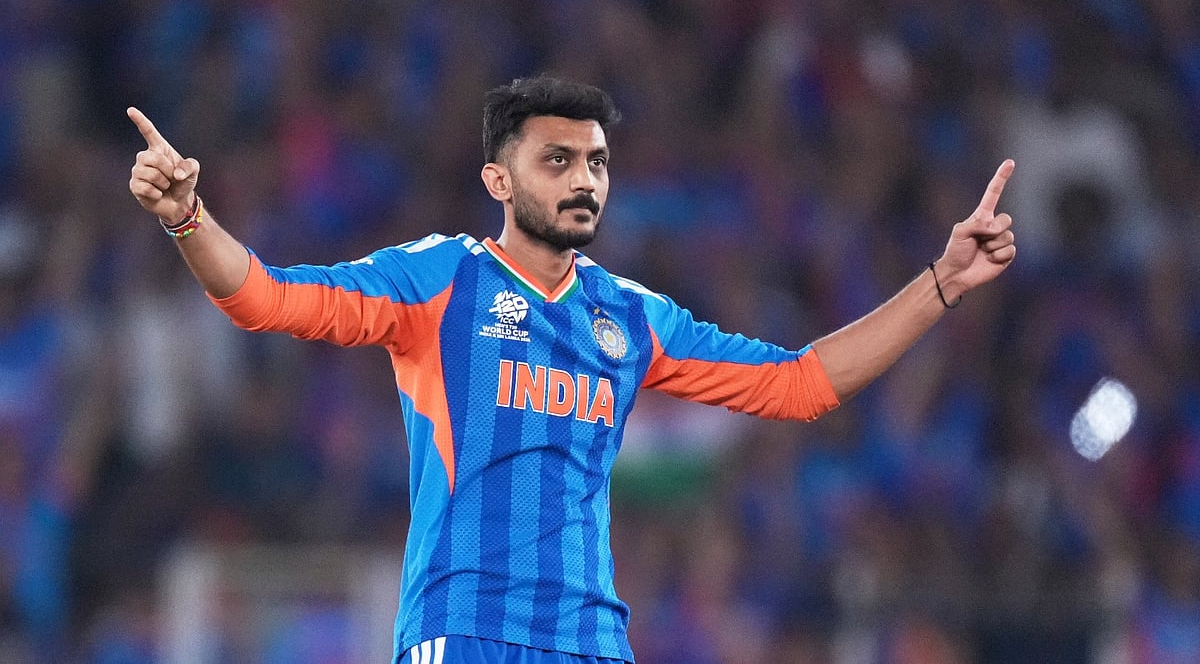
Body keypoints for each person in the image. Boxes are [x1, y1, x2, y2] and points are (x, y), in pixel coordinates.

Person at [127, 75, 1015, 664]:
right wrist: (188, 217)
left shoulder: (631, 316)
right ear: (499, 180)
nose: (584, 178)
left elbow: (801, 384)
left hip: (591, 639)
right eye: (557, 160)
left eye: (595, 161)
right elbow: (267, 298)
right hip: (462, 626)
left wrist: (942, 283)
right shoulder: (439, 281)